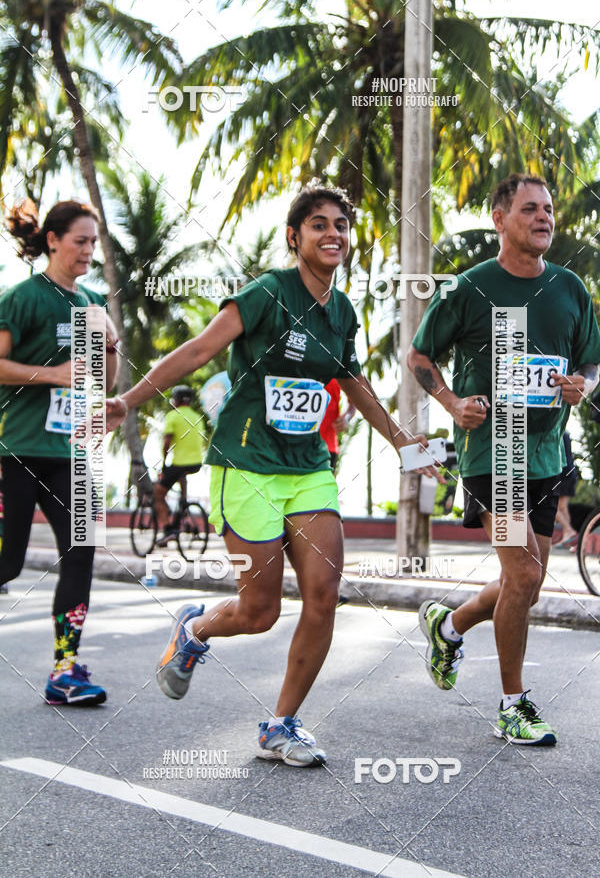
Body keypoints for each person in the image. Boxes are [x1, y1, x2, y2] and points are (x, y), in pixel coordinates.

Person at [105, 180, 439, 767]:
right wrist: (128, 401)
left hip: (309, 469)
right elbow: (197, 351)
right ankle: (195, 630)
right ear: (295, 237)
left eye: (340, 224)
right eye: (319, 224)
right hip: (247, 464)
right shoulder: (266, 293)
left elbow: (354, 385)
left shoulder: (342, 312)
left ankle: (280, 725)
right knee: (259, 611)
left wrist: (406, 445)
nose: (333, 232)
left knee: (324, 594)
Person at [408, 173, 600, 746]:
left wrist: (582, 387)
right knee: (523, 574)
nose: (544, 217)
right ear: (499, 219)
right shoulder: (467, 288)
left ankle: (449, 624)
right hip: (495, 450)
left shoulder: (570, 289)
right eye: (529, 209)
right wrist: (451, 401)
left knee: (528, 582)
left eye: (548, 209)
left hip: (546, 450)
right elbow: (420, 355)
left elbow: (592, 362)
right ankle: (513, 704)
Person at [0, 199, 119, 704]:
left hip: (71, 453)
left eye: (94, 242)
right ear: (52, 240)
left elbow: (99, 383)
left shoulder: (93, 303)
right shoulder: (22, 299)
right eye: (80, 240)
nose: (89, 250)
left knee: (81, 550)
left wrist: (110, 350)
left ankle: (65, 672)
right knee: (8, 562)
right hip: (17, 450)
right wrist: (50, 374)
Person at [154, 384, 205, 544]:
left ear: (175, 400)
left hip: (179, 464)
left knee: (158, 494)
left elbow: (166, 443)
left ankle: (169, 529)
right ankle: (182, 505)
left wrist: (163, 465)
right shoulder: (197, 417)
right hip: (196, 464)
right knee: (181, 475)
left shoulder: (173, 416)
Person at [319, 378, 356, 471]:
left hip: (327, 447)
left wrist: (346, 418)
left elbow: (354, 400)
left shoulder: (338, 366)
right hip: (292, 443)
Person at [553, 431, 578, 549]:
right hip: (570, 473)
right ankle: (567, 536)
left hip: (564, 473)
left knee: (556, 507)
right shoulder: (566, 433)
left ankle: (568, 530)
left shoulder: (559, 432)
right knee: (563, 507)